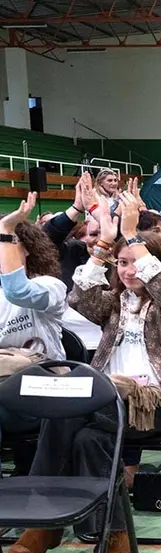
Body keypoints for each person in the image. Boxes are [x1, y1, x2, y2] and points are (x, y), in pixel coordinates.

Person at [4, 193, 161, 553]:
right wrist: (104, 243)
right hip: (108, 404)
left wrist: (133, 237)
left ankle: (41, 525)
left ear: (155, 264)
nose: (128, 270)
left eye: (135, 263)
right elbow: (79, 297)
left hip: (156, 406)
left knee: (66, 413)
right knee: (88, 440)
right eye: (121, 263)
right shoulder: (113, 304)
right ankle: (115, 538)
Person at [0, 193, 68, 473]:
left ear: (27, 249)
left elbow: (17, 291)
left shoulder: (50, 285)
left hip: (43, 391)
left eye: (6, 244)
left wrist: (6, 230)